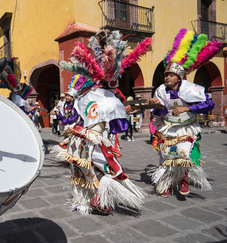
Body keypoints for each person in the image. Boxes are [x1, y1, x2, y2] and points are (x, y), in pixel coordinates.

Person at [53, 29, 151, 214]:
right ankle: (99, 199)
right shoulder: (110, 99)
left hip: (77, 143)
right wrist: (121, 112)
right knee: (114, 172)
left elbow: (70, 117)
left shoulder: (84, 95)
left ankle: (85, 201)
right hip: (95, 144)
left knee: (83, 173)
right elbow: (120, 126)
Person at [146, 28, 221, 198]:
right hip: (168, 126)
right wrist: (154, 104)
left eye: (171, 75)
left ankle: (184, 180)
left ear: (179, 78)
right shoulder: (160, 90)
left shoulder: (189, 88)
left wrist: (186, 108)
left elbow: (209, 103)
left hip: (186, 127)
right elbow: (161, 111)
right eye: (166, 75)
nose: (167, 78)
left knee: (183, 153)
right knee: (165, 155)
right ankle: (166, 182)